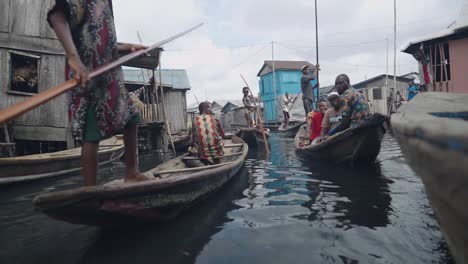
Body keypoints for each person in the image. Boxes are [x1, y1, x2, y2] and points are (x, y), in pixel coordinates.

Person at [48, 0, 149, 186]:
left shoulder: (106, 3)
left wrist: (126, 47)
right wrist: (73, 58)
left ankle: (132, 172)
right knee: (91, 132)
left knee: (132, 116)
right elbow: (57, 16)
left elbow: (101, 37)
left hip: (110, 75)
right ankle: (90, 189)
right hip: (87, 73)